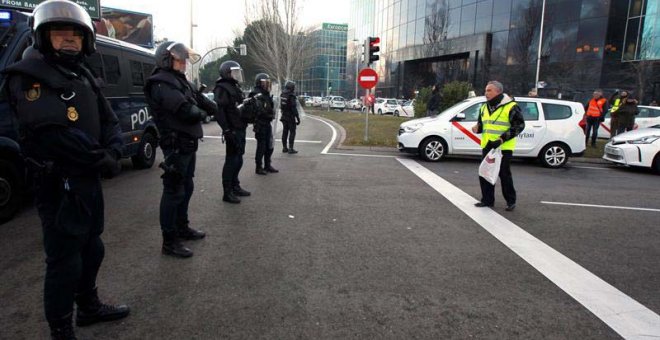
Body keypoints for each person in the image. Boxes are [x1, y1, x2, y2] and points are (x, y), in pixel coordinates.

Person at [2, 1, 130, 338]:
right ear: (43, 37)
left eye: (75, 34)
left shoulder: (82, 73)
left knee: (93, 248)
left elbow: (109, 119)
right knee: (64, 261)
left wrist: (115, 148)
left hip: (86, 182)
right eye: (60, 34)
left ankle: (87, 307)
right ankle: (61, 328)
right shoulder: (27, 76)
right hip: (58, 184)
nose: (69, 40)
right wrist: (103, 158)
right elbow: (54, 133)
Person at [144, 41, 214, 258]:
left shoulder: (178, 80)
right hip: (175, 145)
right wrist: (202, 114)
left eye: (184, 59)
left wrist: (213, 108)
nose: (184, 63)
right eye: (179, 59)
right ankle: (169, 240)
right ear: (166, 59)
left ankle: (182, 227)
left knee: (187, 186)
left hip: (187, 143)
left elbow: (199, 99)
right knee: (174, 192)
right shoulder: (161, 83)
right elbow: (185, 109)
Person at [471, 81, 525, 211]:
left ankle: (511, 201)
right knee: (485, 173)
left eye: (489, 90)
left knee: (504, 174)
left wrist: (501, 139)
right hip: (487, 145)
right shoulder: (484, 106)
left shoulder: (511, 106)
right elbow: (482, 124)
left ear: (498, 92)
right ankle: (487, 200)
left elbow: (519, 126)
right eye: (485, 90)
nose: (486, 93)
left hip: (503, 148)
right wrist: (477, 128)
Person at [214, 60, 251, 203]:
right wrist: (227, 130)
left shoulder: (234, 87)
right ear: (226, 73)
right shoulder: (222, 88)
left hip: (240, 127)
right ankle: (227, 191)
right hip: (232, 130)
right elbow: (219, 111)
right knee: (231, 160)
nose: (237, 75)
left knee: (239, 158)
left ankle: (235, 186)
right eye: (234, 72)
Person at [250, 73, 279, 175]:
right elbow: (259, 110)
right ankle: (259, 167)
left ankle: (267, 165)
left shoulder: (266, 94)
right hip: (260, 124)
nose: (267, 85)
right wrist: (269, 114)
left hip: (267, 123)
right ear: (259, 83)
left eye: (268, 83)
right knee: (261, 146)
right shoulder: (256, 94)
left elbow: (269, 107)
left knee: (269, 145)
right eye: (265, 83)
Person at [280, 80, 301, 154]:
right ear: (291, 87)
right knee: (292, 132)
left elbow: (281, 106)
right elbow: (294, 108)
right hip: (290, 116)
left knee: (285, 132)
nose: (294, 88)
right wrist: (297, 118)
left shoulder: (282, 94)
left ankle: (284, 147)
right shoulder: (291, 95)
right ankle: (291, 148)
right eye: (294, 87)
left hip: (284, 116)